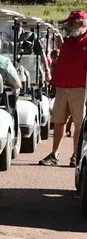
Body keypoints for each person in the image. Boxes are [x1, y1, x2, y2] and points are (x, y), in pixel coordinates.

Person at [39, 10, 87, 167]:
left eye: (71, 23)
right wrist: (54, 84)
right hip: (62, 88)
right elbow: (61, 65)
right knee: (59, 122)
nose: (69, 26)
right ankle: (54, 154)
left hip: (81, 90)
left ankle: (76, 156)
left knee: (79, 125)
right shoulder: (67, 43)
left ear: (81, 23)